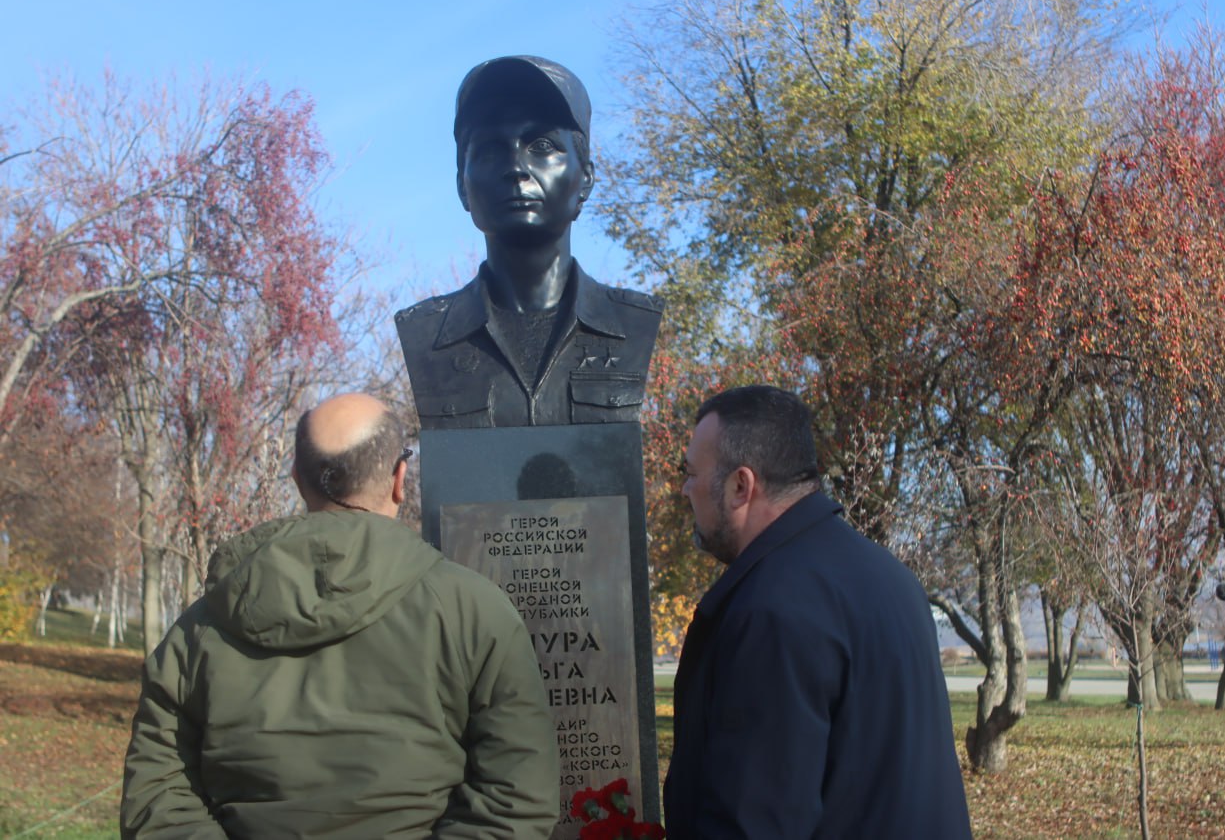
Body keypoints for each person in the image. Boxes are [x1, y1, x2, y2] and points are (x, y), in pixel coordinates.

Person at [120, 393, 558, 839]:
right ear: (398, 479)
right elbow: (515, 801)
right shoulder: (477, 613)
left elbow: (158, 799)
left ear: (295, 477)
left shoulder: (198, 629)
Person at [663, 385, 972, 839]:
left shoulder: (773, 608)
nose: (686, 489)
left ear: (740, 486)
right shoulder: (889, 576)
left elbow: (754, 822)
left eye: (691, 473)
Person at [395, 55, 662, 429]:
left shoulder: (634, 323)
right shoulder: (425, 334)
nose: (516, 168)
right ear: (462, 187)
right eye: (489, 149)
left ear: (585, 178)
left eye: (542, 145)